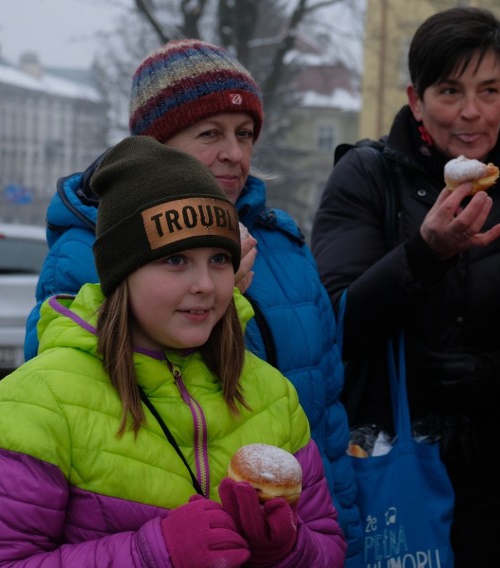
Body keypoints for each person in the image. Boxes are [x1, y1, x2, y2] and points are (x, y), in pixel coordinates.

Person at [22, 39, 362, 561]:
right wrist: (225, 302)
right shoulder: (86, 252)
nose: (235, 153)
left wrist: (332, 542)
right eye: (211, 134)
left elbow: (327, 410)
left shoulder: (284, 246)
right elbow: (68, 403)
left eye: (245, 134)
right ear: (153, 146)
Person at [0, 136, 347, 566]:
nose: (206, 285)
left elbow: (328, 544)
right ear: (123, 273)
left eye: (218, 258)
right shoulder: (35, 401)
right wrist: (151, 554)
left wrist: (285, 549)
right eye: (175, 261)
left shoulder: (273, 395)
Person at [311, 6, 500, 568]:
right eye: (449, 91)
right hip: (387, 463)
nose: (471, 113)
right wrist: (424, 254)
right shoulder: (366, 177)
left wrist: (493, 369)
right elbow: (340, 323)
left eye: (488, 90)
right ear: (416, 100)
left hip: (496, 481)